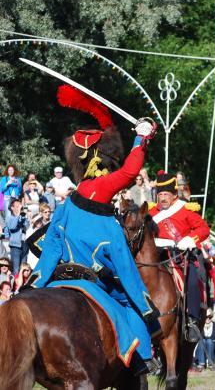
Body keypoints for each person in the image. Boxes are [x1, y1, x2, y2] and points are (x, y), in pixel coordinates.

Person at [28, 84, 160, 375]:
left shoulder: (72, 200)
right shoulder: (100, 188)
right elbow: (128, 173)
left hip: (59, 274)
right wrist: (141, 138)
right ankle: (144, 357)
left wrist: (35, 284)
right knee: (131, 300)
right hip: (94, 278)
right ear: (102, 160)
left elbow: (50, 246)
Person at [148, 171, 211, 341]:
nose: (162, 198)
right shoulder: (150, 213)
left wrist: (190, 239)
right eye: (160, 194)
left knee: (191, 281)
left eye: (166, 194)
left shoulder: (186, 210)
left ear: (174, 195)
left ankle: (192, 320)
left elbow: (204, 229)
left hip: (180, 255)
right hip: (156, 256)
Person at [5, 198, 29, 274]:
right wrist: (18, 215)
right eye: (17, 206)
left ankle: (23, 285)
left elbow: (27, 226)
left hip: (24, 244)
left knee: (24, 268)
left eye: (20, 206)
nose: (20, 207)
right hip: (15, 246)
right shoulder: (9, 218)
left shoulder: (22, 217)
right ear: (12, 208)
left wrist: (25, 216)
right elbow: (12, 227)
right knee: (16, 269)